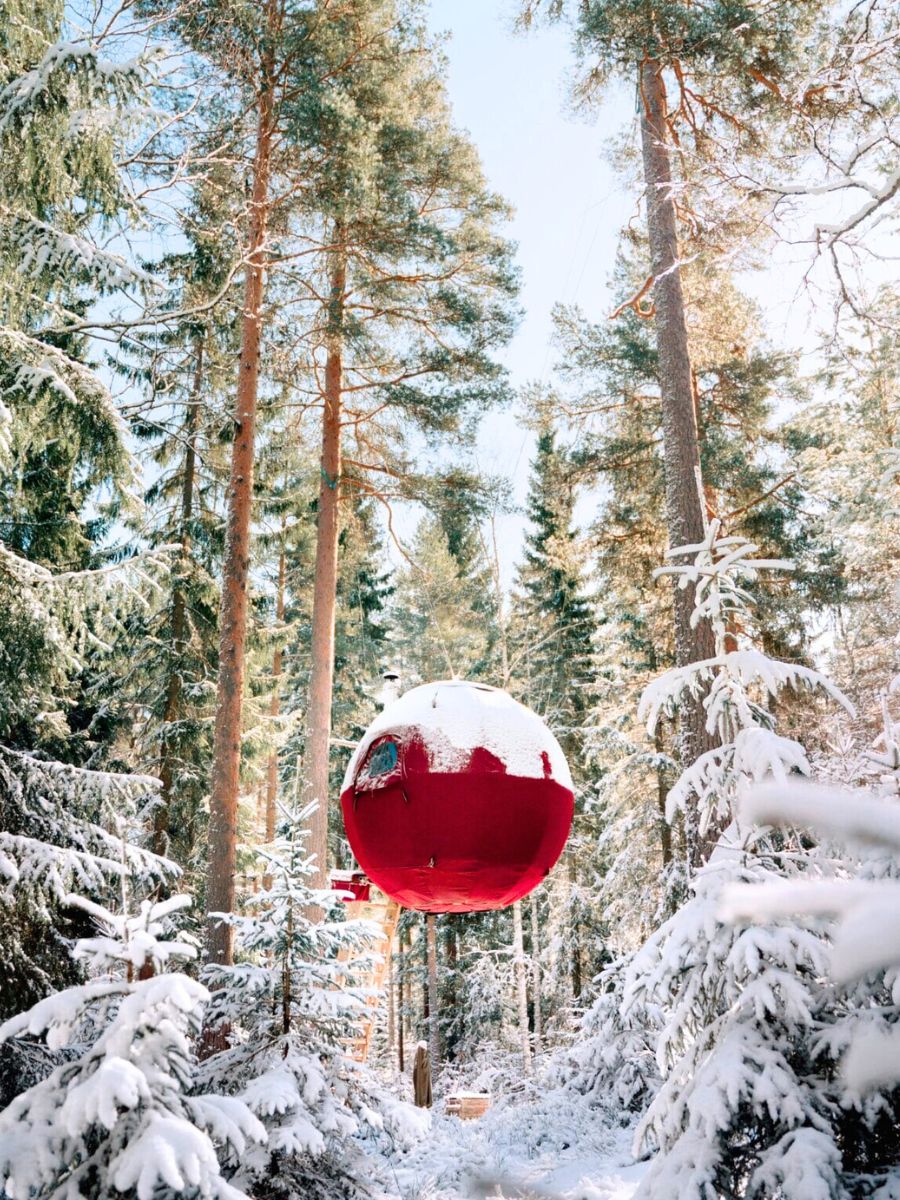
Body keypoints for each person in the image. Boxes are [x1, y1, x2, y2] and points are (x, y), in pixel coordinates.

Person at [413, 1039, 432, 1108]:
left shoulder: (422, 1055)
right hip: (420, 1079)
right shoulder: (420, 1057)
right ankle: (423, 1103)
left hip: (422, 1079)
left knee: (423, 1089)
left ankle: (423, 1103)